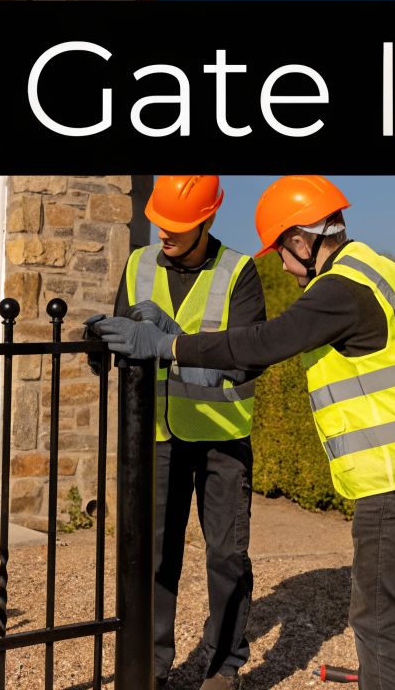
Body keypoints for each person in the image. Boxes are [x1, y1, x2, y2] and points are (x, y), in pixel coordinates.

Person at [94, 174, 395, 690]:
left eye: (281, 248)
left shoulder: (338, 290)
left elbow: (261, 344)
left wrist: (170, 347)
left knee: (380, 619)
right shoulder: (375, 266)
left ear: (303, 239)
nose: (279, 261)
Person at [109, 175, 267, 690]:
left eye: (177, 226)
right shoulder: (138, 265)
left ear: (208, 219)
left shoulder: (238, 272)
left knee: (226, 555)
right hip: (157, 436)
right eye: (160, 222)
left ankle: (225, 664)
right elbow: (125, 340)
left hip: (222, 439)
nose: (165, 234)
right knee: (155, 555)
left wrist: (172, 341)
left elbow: (245, 360)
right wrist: (101, 346)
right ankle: (151, 666)